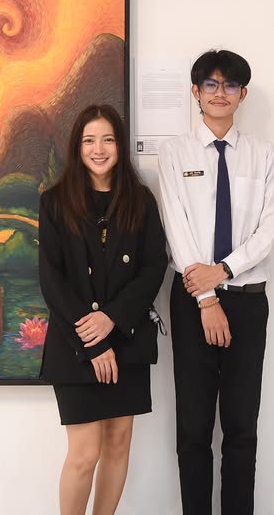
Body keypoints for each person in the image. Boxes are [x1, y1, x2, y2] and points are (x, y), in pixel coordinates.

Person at [158, 50, 274, 515]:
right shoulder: (174, 154)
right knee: (193, 429)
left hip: (248, 302)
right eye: (210, 84)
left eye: (230, 85)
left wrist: (225, 270)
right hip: (193, 302)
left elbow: (270, 228)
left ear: (242, 94)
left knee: (241, 428)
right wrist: (208, 296)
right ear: (196, 92)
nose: (220, 93)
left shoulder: (264, 156)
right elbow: (176, 226)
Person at [38, 104, 168, 515]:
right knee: (85, 454)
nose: (99, 149)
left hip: (127, 339)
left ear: (120, 146)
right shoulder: (54, 202)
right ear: (77, 148)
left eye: (108, 140)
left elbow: (154, 267)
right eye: (89, 140)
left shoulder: (140, 201)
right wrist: (93, 342)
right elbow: (52, 281)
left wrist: (112, 318)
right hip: (75, 345)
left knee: (118, 444)